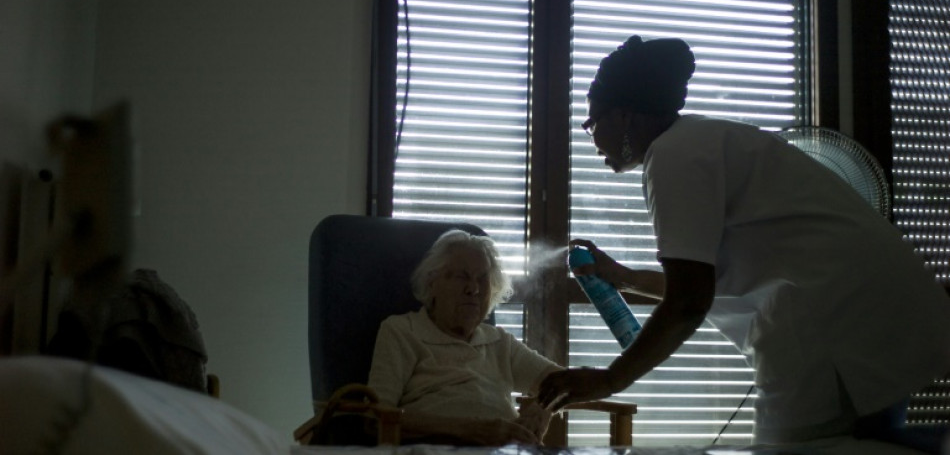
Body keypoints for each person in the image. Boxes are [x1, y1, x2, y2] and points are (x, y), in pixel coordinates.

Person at [536, 35, 950, 453]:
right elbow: (702, 284)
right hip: (867, 313)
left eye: (592, 123)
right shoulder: (699, 140)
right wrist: (621, 278)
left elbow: (688, 302)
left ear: (624, 116)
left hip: (834, 322)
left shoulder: (673, 156)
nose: (591, 137)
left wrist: (610, 379)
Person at [367, 229, 562, 446]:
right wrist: (469, 430)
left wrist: (544, 407)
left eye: (482, 279)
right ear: (432, 284)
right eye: (461, 276)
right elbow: (376, 418)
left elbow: (564, 383)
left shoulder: (499, 342)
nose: (473, 289)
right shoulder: (402, 331)